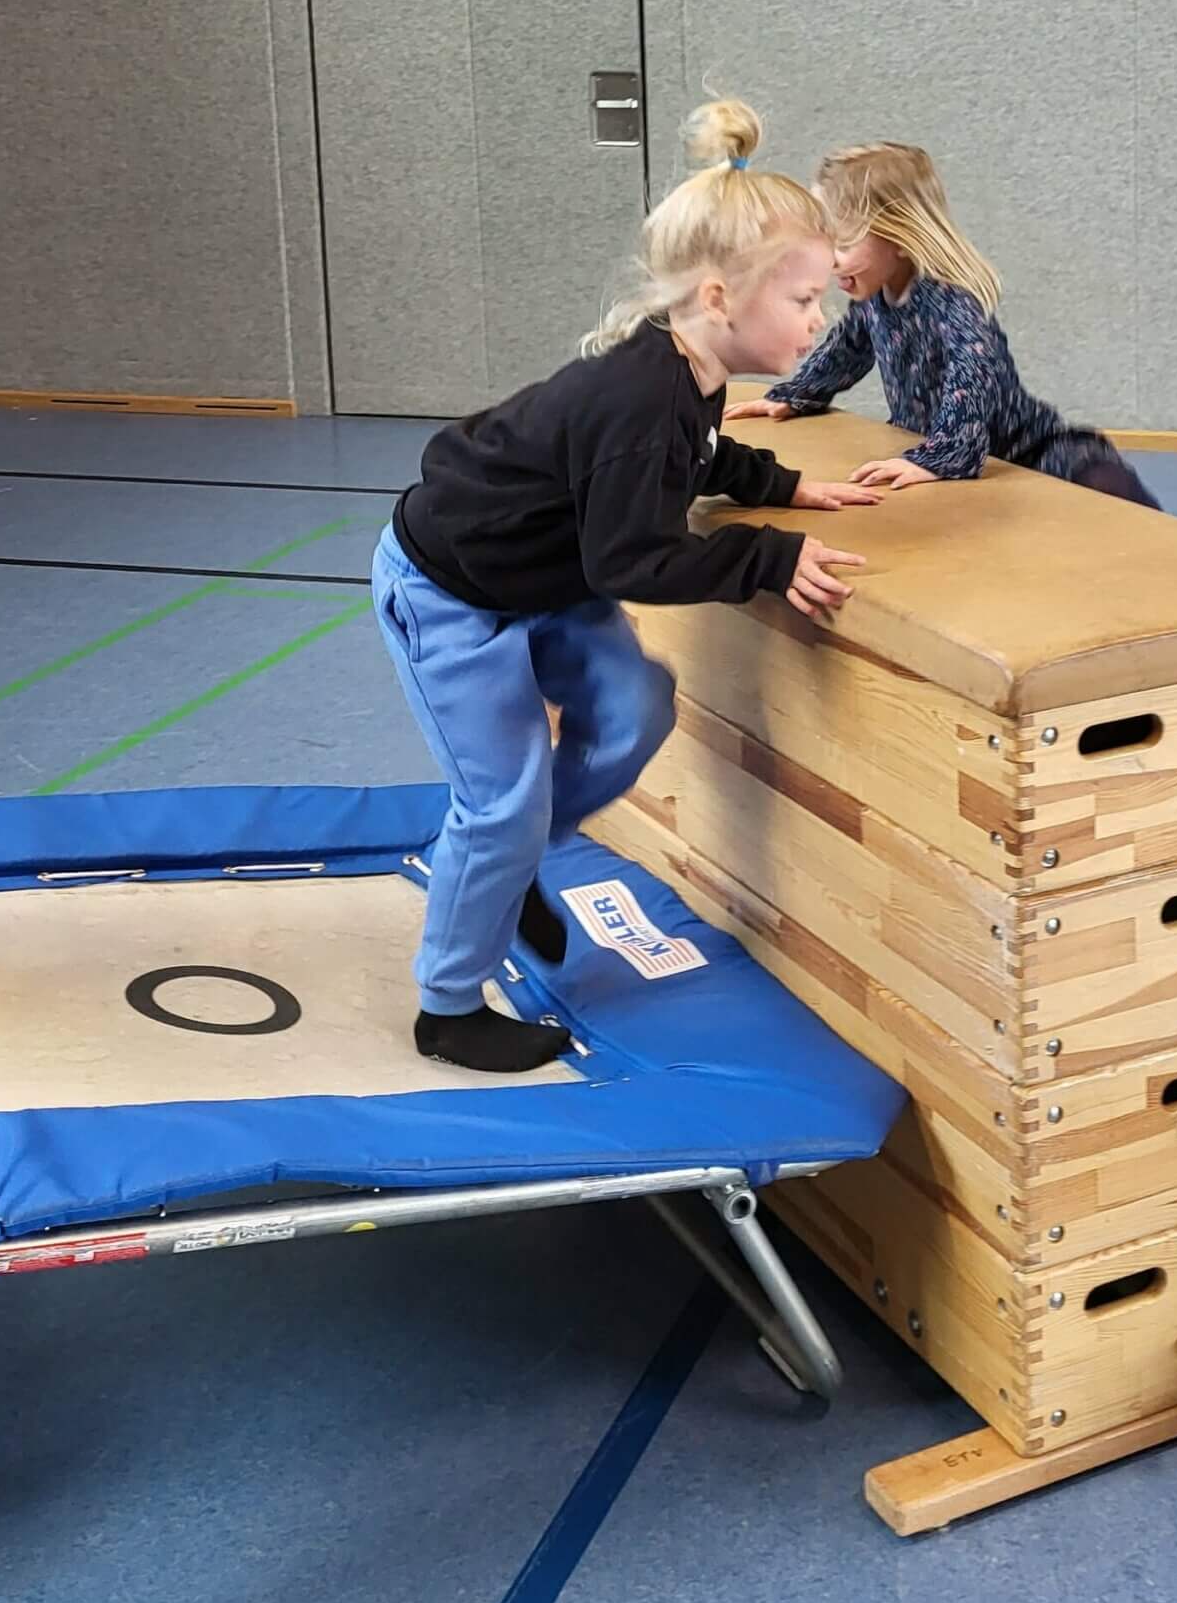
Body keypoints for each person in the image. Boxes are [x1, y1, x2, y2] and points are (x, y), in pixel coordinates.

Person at [373, 97, 879, 1075]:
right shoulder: (639, 400)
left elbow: (701, 453)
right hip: (452, 592)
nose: (819, 319)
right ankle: (448, 1004)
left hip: (548, 573)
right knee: (503, 797)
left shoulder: (691, 368)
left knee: (637, 707)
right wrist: (770, 556)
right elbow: (633, 563)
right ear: (722, 299)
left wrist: (782, 486)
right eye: (803, 299)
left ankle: (514, 863)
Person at [727, 141, 1159, 505]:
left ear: (899, 237)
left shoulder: (950, 300)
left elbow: (975, 370)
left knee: (1104, 482)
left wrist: (942, 455)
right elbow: (847, 350)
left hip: (1026, 451)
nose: (829, 260)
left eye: (842, 243)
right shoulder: (873, 299)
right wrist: (798, 395)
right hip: (940, 445)